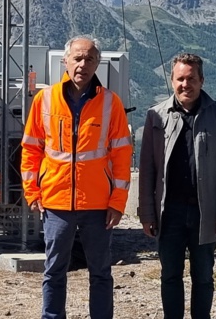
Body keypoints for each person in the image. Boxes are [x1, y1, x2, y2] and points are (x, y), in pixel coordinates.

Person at [21, 36, 133, 319]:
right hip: (56, 202)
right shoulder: (44, 100)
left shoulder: (111, 103)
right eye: (78, 58)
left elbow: (122, 155)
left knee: (101, 272)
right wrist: (32, 192)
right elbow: (31, 149)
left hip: (98, 204)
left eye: (90, 59)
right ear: (66, 61)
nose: (83, 64)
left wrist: (117, 202)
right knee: (54, 271)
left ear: (97, 64)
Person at [138, 53, 216, 319]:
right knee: (170, 275)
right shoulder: (156, 116)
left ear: (201, 80)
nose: (185, 84)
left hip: (204, 213)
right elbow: (147, 171)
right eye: (180, 79)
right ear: (172, 80)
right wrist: (146, 214)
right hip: (169, 213)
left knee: (203, 276)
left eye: (191, 79)